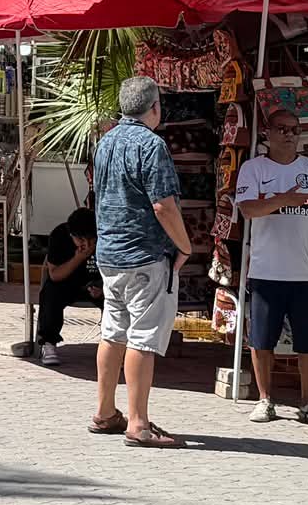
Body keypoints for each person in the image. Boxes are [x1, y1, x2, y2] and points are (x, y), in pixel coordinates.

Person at [88, 75, 195, 448]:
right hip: (144, 254)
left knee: (113, 332)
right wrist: (184, 246)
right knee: (143, 338)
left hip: (110, 253)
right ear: (155, 107)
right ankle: (138, 422)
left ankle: (105, 411)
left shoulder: (106, 142)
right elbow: (164, 206)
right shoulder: (152, 145)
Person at [235, 110, 308, 424]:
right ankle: (265, 400)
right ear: (268, 133)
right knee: (261, 341)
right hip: (267, 271)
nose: (289, 135)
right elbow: (248, 209)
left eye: (294, 130)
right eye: (282, 129)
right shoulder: (253, 169)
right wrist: (283, 199)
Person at [33, 206, 99, 366]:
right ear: (72, 235)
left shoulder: (104, 236)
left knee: (119, 295)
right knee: (50, 292)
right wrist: (78, 258)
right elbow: (55, 274)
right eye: (81, 240)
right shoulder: (59, 235)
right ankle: (49, 342)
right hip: (67, 282)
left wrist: (102, 287)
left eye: (90, 240)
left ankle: (119, 346)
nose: (86, 245)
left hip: (97, 282)